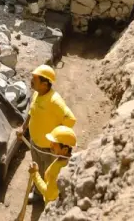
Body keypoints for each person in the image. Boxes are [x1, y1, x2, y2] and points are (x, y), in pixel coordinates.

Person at [23, 64, 77, 195]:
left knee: (48, 173)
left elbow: (70, 119)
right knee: (37, 168)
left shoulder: (54, 101)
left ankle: (47, 196)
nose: (31, 81)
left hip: (48, 148)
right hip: (35, 143)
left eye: (35, 79)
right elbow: (31, 112)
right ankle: (37, 190)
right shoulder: (37, 94)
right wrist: (23, 128)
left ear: (45, 84)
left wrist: (58, 137)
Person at [28, 125, 75, 205]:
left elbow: (48, 194)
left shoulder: (56, 171)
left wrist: (35, 174)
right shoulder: (72, 160)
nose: (50, 146)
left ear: (64, 150)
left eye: (54, 144)